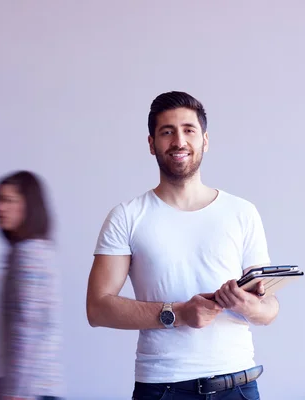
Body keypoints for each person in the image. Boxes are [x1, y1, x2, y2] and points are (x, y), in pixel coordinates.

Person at [86, 91, 279, 400]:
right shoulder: (127, 216)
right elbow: (97, 309)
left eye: (188, 130)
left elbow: (268, 310)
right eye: (167, 132)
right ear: (151, 144)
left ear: (205, 140)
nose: (179, 141)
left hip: (238, 386)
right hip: (162, 389)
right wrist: (177, 313)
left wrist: (247, 305)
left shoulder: (242, 212)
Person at [0, 171, 65, 400]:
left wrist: (16, 393)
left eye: (8, 200)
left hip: (29, 391)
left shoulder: (31, 255)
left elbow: (31, 328)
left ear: (29, 207)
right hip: (20, 388)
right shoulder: (22, 252)